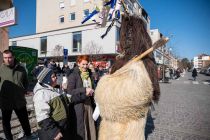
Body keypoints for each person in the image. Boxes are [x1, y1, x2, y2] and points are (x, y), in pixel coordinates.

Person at [33, 67, 93, 140]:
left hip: (61, 127)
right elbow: (42, 117)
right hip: (50, 133)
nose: (56, 78)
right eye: (53, 77)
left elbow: (70, 98)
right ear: (46, 80)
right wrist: (54, 132)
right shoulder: (41, 94)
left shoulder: (55, 90)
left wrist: (84, 95)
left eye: (55, 76)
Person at [0, 50, 32, 140]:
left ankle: (28, 135)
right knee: (6, 122)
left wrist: (24, 90)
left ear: (13, 57)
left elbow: (26, 81)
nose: (8, 60)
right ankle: (9, 138)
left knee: (24, 120)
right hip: (6, 101)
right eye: (5, 58)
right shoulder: (0, 69)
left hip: (19, 99)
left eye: (9, 57)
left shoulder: (21, 68)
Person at [67, 55, 96, 140]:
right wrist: (84, 90)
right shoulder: (73, 75)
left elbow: (92, 87)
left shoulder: (89, 75)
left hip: (89, 104)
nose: (85, 66)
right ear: (78, 63)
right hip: (78, 106)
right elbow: (70, 92)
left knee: (89, 125)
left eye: (86, 64)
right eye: (83, 64)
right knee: (81, 128)